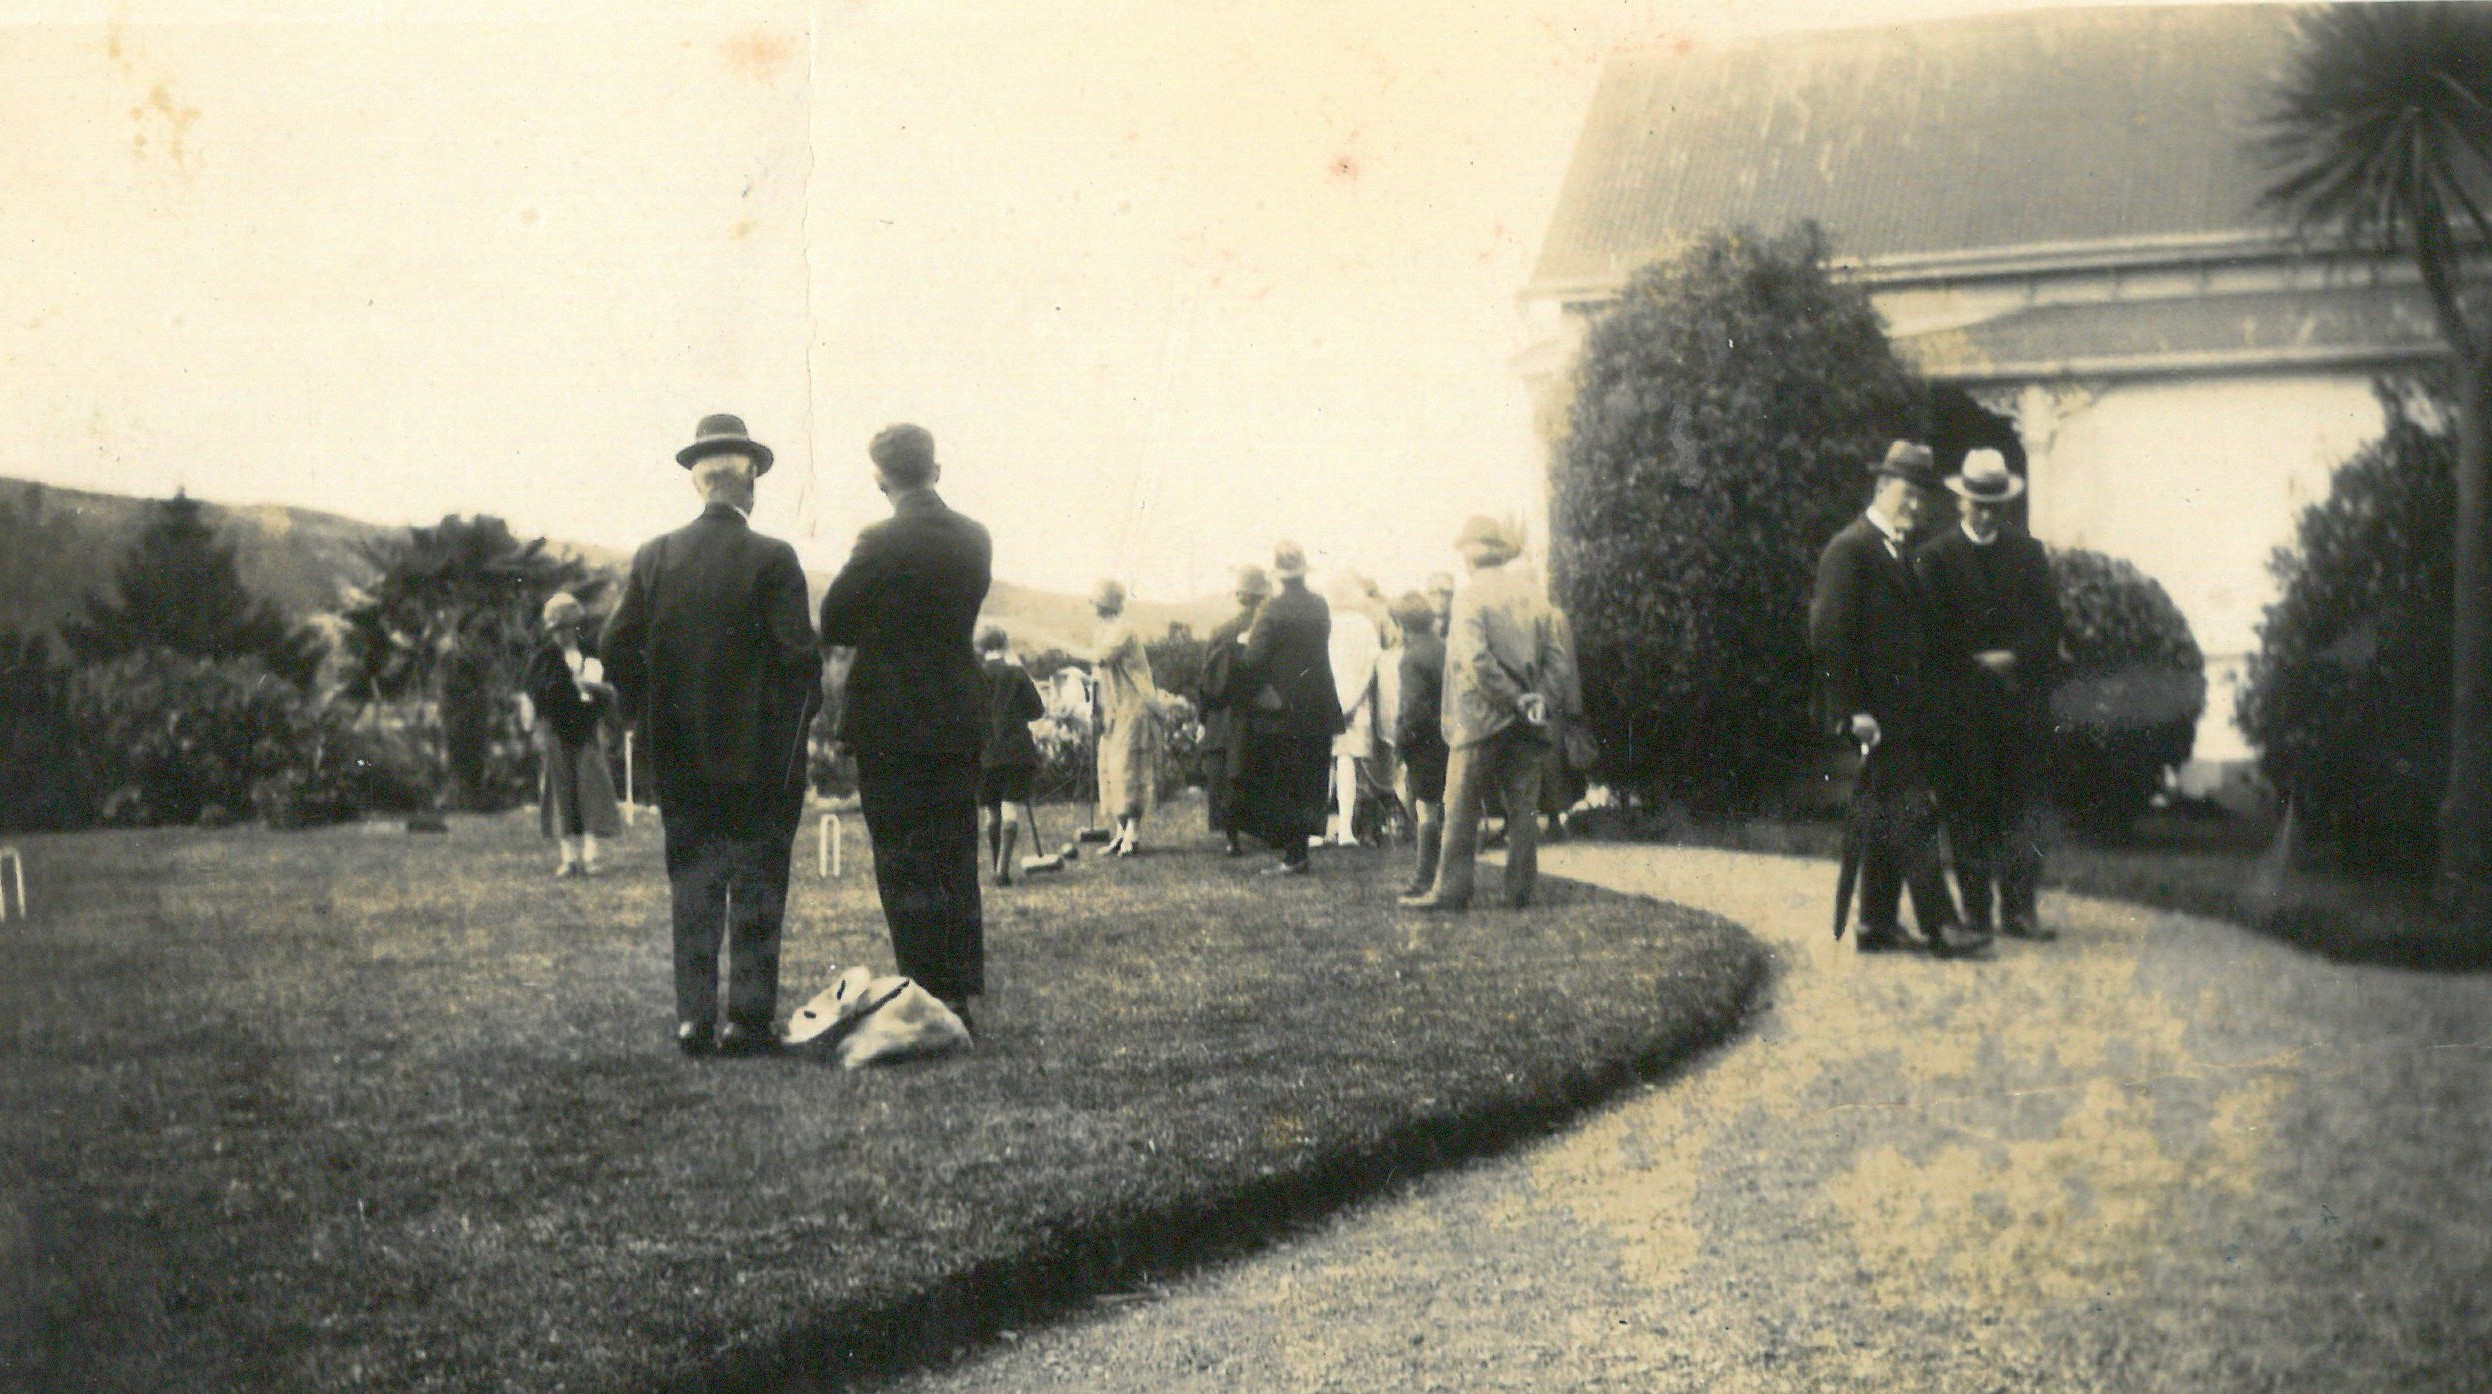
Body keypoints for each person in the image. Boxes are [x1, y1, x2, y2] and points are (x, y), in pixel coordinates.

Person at [604, 414, 821, 1056]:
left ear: (698, 485)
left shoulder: (656, 556)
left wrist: (648, 714)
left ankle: (694, 1020)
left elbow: (616, 648)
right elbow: (800, 664)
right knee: (757, 886)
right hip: (761, 763)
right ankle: (746, 1023)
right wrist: (790, 738)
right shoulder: (775, 558)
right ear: (748, 483)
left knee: (693, 887)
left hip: (681, 760)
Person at [819, 423, 994, 1026]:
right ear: (936, 469)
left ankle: (925, 988)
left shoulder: (879, 540)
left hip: (889, 717)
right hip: (954, 711)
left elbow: (836, 621)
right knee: (955, 850)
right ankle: (960, 991)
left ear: (880, 478)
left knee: (901, 856)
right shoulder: (976, 538)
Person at [1808, 440, 1988, 958]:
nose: (1915, 505)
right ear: (1883, 488)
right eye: (1907, 493)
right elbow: (1828, 635)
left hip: (1905, 716)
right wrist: (1851, 711)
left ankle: (1876, 923)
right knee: (1912, 813)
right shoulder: (1850, 549)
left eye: (1922, 496)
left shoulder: (1898, 553)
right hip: (1875, 716)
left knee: (1893, 809)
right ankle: (1942, 925)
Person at [1918, 449, 2062, 940]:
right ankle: (1976, 910)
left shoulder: (2028, 555)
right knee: (1968, 808)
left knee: (2021, 806)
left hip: (2018, 706)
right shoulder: (1935, 559)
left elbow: (2049, 628)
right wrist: (1969, 667)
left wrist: (2014, 657)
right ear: (1961, 502)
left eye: (1994, 506)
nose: (1985, 514)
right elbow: (1930, 640)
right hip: (1962, 709)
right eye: (1977, 504)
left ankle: (2019, 909)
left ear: (2005, 507)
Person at [1401, 517, 1567, 912]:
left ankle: (1452, 890)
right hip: (1529, 720)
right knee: (1523, 809)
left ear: (1476, 552)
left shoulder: (1470, 596)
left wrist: (1512, 699)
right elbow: (1558, 660)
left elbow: (1474, 661)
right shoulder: (1534, 595)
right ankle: (1520, 892)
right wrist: (1535, 700)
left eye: (1465, 549)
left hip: (1479, 719)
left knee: (1460, 805)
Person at [1231, 540, 1341, 875]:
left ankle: (1293, 855)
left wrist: (1245, 654)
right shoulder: (1320, 605)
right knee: (1311, 779)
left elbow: (1252, 660)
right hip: (1318, 703)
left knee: (1285, 780)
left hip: (1283, 707)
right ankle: (1300, 852)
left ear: (1278, 576)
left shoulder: (1272, 610)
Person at [526, 592, 623, 878]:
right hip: (557, 730)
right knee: (561, 791)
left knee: (591, 787)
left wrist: (599, 691)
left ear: (576, 626)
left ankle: (591, 854)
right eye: (556, 628)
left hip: (586, 731)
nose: (562, 634)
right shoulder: (544, 658)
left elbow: (608, 692)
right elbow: (537, 692)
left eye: (567, 627)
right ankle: (568, 857)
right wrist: (568, 687)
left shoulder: (591, 653)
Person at [1197, 565, 1272, 856]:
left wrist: (1202, 716)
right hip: (1256, 711)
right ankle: (1262, 831)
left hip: (1222, 712)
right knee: (1254, 770)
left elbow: (1206, 679)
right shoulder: (1269, 630)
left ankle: (1232, 837)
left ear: (1238, 596)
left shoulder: (1221, 631)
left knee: (1224, 774)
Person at [1089, 579, 1160, 857]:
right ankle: (1120, 833)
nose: (1092, 606)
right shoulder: (1102, 630)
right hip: (1113, 709)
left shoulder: (1124, 631)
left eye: (1096, 600)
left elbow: (1103, 657)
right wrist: (1095, 706)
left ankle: (1133, 833)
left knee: (1128, 769)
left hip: (1133, 706)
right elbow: (1098, 672)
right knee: (1109, 768)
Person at [1389, 590, 1449, 896]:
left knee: (1425, 810)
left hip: (1424, 744)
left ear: (1402, 624)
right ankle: (1445, 874)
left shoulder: (1410, 658)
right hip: (1448, 738)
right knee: (1444, 808)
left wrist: (1399, 748)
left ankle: (1424, 877)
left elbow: (1412, 711)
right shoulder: (1443, 647)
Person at [976, 626, 1045, 886]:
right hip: (1016, 751)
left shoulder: (975, 676)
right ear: (1005, 644)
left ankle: (997, 865)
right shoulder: (1016, 673)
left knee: (992, 812)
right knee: (1010, 807)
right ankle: (1001, 870)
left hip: (985, 753)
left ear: (981, 649)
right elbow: (1037, 710)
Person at [1327, 574, 1383, 845]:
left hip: (1327, 701)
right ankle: (1346, 829)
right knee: (1348, 762)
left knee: (1326, 763)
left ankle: (1319, 830)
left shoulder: (1325, 625)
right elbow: (1370, 668)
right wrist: (1352, 701)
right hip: (1356, 703)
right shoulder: (1364, 625)